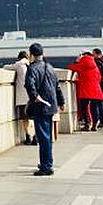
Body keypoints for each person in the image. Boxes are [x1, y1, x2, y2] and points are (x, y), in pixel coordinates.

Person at [25, 43, 65, 176]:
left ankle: (46, 166)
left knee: (43, 138)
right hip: (51, 105)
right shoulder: (50, 67)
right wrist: (61, 102)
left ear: (31, 54)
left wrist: (35, 97)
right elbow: (57, 86)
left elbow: (30, 85)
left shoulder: (32, 68)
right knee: (47, 136)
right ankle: (47, 162)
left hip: (40, 106)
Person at [3, 51, 35, 145]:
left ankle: (28, 136)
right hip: (32, 96)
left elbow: (6, 67)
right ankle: (34, 137)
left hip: (22, 96)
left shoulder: (19, 64)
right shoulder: (32, 65)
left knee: (25, 118)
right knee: (33, 119)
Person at [68, 50, 103, 131]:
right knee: (94, 108)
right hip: (95, 89)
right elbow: (99, 78)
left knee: (84, 107)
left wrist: (77, 61)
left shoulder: (83, 62)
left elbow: (71, 67)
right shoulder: (94, 65)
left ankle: (87, 124)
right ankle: (94, 125)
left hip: (85, 89)